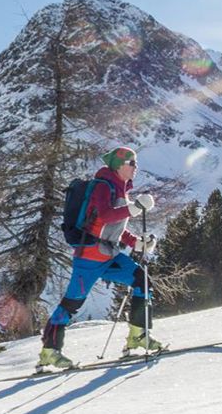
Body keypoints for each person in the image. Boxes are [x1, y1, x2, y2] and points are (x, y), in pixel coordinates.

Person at [39, 147, 163, 370]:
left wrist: (136, 243)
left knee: (141, 280)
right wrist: (135, 208)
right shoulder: (102, 186)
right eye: (132, 163)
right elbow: (105, 215)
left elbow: (114, 227)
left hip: (109, 254)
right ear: (119, 165)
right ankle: (49, 351)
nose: (136, 168)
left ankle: (138, 336)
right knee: (72, 303)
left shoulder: (120, 189)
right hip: (90, 256)